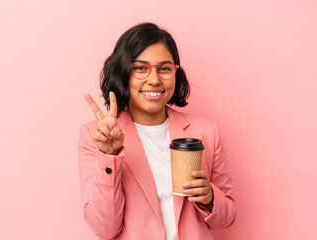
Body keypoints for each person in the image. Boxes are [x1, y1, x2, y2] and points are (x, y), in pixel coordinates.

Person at [78, 22, 236, 240]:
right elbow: (104, 229)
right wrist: (109, 157)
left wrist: (210, 198)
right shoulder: (94, 137)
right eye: (140, 68)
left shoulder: (206, 132)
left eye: (164, 68)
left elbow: (227, 218)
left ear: (175, 73)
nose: (154, 80)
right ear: (123, 72)